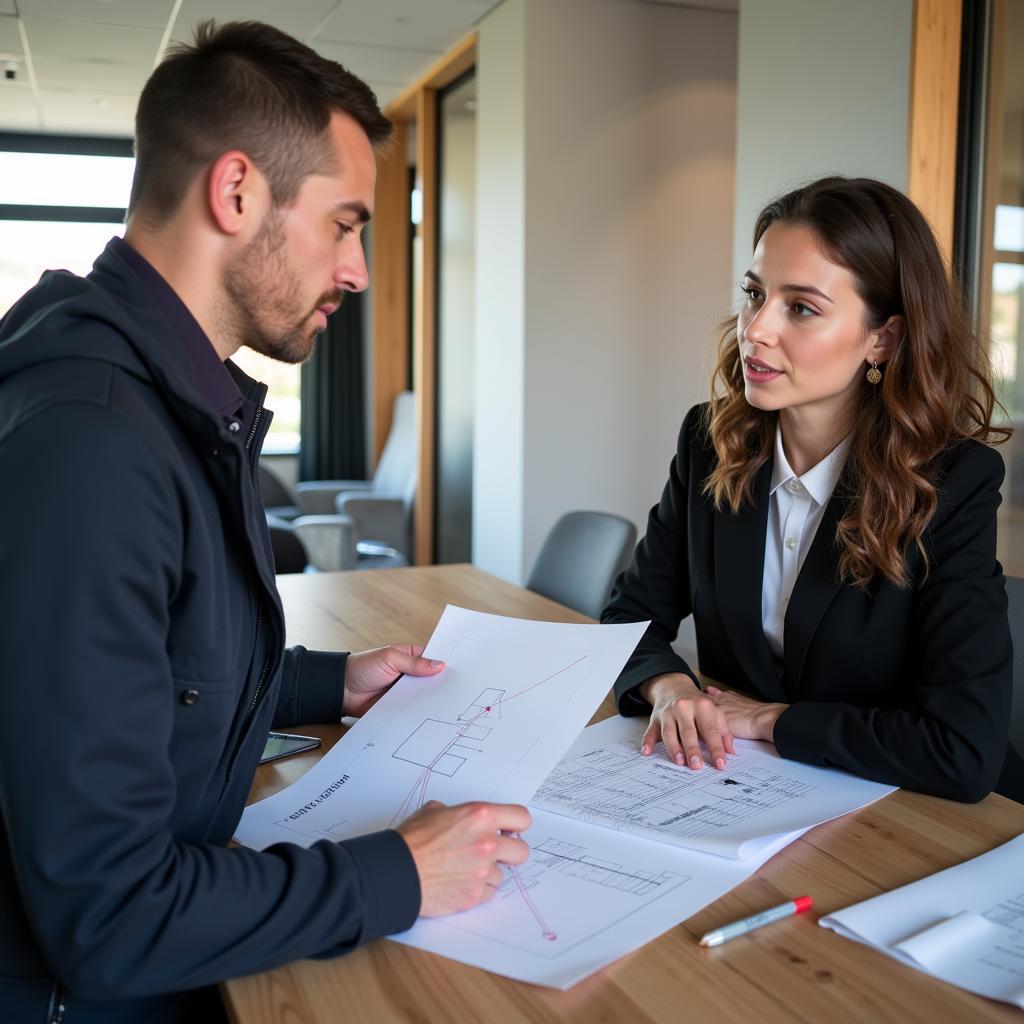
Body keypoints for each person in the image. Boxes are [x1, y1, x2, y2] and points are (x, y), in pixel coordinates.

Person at [0, 21, 529, 1024]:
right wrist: (401, 873)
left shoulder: (169, 401)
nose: (360, 271)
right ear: (237, 192)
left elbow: (144, 666)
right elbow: (110, 914)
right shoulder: (93, 447)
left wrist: (330, 678)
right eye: (343, 224)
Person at [603, 175, 1021, 805]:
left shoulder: (952, 482)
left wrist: (772, 719)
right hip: (742, 794)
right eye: (754, 293)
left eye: (801, 307)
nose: (755, 329)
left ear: (884, 338)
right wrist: (670, 686)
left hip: (911, 816)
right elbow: (629, 618)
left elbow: (962, 751)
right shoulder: (708, 441)